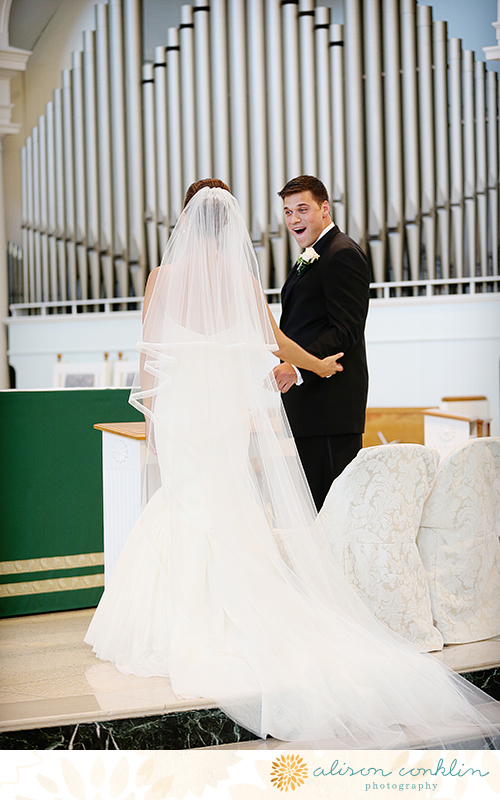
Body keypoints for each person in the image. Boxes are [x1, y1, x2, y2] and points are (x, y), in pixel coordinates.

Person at [85, 181, 500, 749]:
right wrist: (319, 366)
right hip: (225, 415)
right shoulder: (239, 279)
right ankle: (243, 611)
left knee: (184, 501)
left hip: (182, 413)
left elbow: (149, 357)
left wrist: (155, 419)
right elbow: (275, 340)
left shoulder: (161, 278)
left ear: (184, 221)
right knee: (226, 502)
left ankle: (184, 619)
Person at [274, 175, 370, 511]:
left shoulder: (342, 254)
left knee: (334, 512)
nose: (293, 220)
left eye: (302, 209)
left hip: (330, 407)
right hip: (311, 408)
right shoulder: (314, 254)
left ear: (324, 209)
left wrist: (297, 367)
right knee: (315, 511)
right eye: (288, 212)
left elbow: (346, 331)